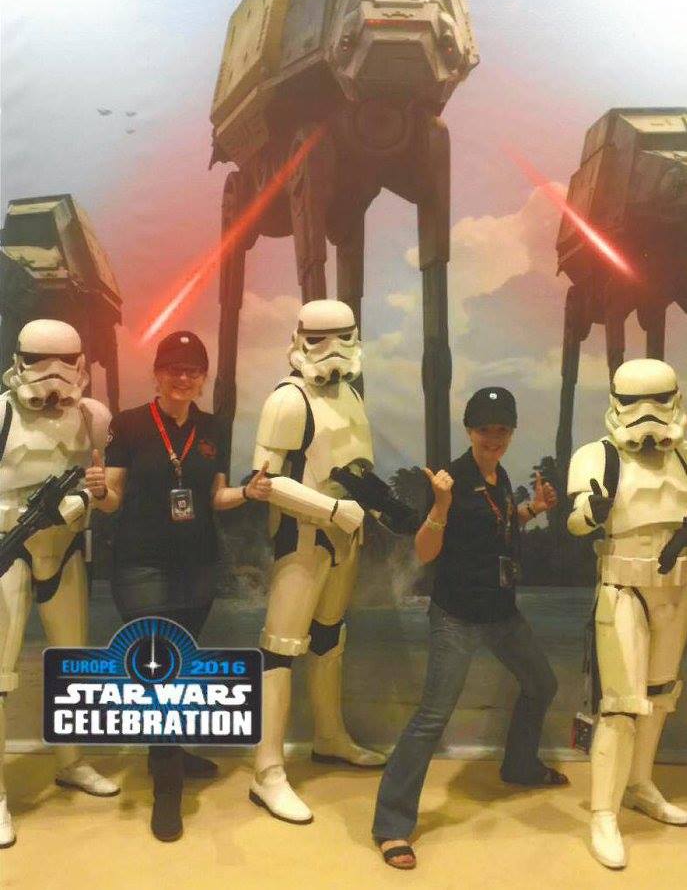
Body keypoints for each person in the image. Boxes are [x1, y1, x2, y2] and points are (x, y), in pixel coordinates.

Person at [85, 330, 270, 842]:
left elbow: (214, 497)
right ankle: (168, 787)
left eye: (193, 370)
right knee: (159, 664)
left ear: (203, 378)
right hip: (141, 565)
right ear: (157, 373)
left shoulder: (214, 428)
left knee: (178, 664)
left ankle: (168, 752)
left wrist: (249, 492)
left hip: (197, 566)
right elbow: (114, 498)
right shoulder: (129, 423)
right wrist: (98, 492)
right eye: (173, 369)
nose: (183, 378)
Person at [372, 386, 565, 869]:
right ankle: (391, 825)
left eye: (502, 429)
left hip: (501, 613)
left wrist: (533, 510)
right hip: (457, 616)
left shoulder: (498, 476)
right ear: (469, 430)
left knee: (542, 683)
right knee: (432, 718)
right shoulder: (450, 480)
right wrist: (440, 506)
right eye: (484, 430)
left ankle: (519, 765)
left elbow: (496, 528)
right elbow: (425, 552)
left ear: (511, 431)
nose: (493, 438)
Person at [249, 299, 387, 826]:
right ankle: (267, 769)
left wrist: (368, 508)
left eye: (342, 338)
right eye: (317, 340)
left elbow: (355, 466)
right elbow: (264, 482)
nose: (331, 351)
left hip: (343, 536)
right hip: (302, 536)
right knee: (281, 648)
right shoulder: (288, 400)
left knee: (329, 638)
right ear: (299, 340)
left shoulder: (350, 395)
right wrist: (331, 510)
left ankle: (330, 737)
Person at [0, 319, 120, 850]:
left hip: (65, 548)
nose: (52, 374)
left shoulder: (92, 417)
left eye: (63, 362)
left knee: (72, 665)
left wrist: (85, 499)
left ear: (80, 364)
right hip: (10, 549)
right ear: (18, 361)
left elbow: (104, 481)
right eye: (38, 361)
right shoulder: (3, 414)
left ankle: (71, 760)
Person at [568, 358, 687, 870]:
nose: (648, 413)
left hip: (676, 591)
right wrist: (590, 512)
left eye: (659, 400)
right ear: (616, 403)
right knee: (620, 705)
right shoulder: (597, 456)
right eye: (636, 402)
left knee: (659, 697)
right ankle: (603, 813)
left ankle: (639, 784)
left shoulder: (683, 455)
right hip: (623, 590)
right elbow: (576, 520)